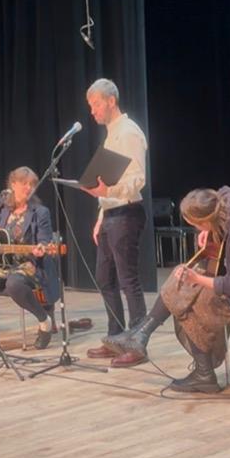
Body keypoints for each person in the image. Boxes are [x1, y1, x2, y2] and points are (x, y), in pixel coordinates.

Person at [102, 186, 230, 393]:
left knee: (190, 303)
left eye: (196, 225)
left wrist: (197, 278)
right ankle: (141, 334)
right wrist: (209, 231)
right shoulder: (225, 197)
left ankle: (202, 372)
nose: (196, 229)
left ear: (205, 219)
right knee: (182, 284)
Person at [80, 79, 150, 366]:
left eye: (96, 104)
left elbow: (137, 179)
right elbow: (106, 183)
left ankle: (136, 343)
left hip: (126, 212)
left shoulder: (129, 132)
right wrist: (101, 215)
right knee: (104, 278)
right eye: (91, 106)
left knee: (127, 279)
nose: (93, 111)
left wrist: (108, 192)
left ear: (111, 101)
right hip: (111, 214)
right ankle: (115, 337)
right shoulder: (111, 136)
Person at [0, 167, 58, 356]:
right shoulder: (1, 206)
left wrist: (41, 248)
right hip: (3, 264)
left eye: (32, 184)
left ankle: (44, 321)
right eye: (24, 184)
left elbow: (45, 240)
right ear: (13, 184)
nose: (29, 188)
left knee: (14, 284)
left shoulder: (40, 212)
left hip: (28, 265)